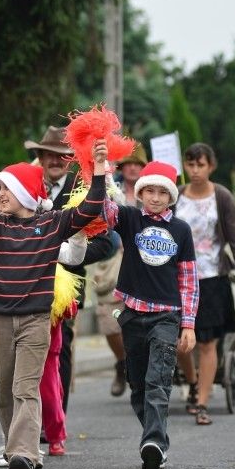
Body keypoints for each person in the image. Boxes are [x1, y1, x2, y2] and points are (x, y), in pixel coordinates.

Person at [0, 144, 107, 469]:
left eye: (7, 188)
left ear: (27, 193)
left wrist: (100, 169)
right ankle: (15, 451)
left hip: (35, 322)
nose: (0, 194)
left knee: (25, 388)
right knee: (5, 392)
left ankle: (24, 455)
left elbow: (90, 207)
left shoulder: (52, 223)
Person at [111, 161, 198, 469]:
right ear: (140, 192)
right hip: (132, 314)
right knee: (138, 386)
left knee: (157, 381)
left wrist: (188, 324)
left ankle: (154, 444)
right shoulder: (129, 218)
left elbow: (189, 282)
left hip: (166, 316)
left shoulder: (181, 230)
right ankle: (155, 437)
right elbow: (102, 210)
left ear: (171, 196)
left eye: (163, 192)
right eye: (150, 190)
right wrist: (101, 171)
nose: (156, 197)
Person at [30, 125, 115, 412]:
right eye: (49, 155)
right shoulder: (26, 187)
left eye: (62, 156)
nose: (55, 161)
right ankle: (28, 420)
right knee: (28, 352)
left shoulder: (84, 190)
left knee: (60, 348)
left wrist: (68, 256)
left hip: (65, 289)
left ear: (71, 160)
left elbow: (106, 243)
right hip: (26, 284)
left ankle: (56, 419)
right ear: (41, 157)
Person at [174, 144, 235, 426]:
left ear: (211, 166)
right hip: (179, 279)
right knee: (179, 341)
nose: (195, 171)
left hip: (212, 278)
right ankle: (192, 381)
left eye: (201, 165)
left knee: (208, 343)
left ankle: (202, 401)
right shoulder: (176, 196)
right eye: (190, 165)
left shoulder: (221, 196)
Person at [98, 143, 147, 396]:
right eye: (129, 163)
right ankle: (122, 362)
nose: (133, 168)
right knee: (109, 322)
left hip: (145, 263)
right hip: (113, 261)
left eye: (138, 164)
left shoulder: (152, 193)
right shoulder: (110, 188)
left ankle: (142, 370)